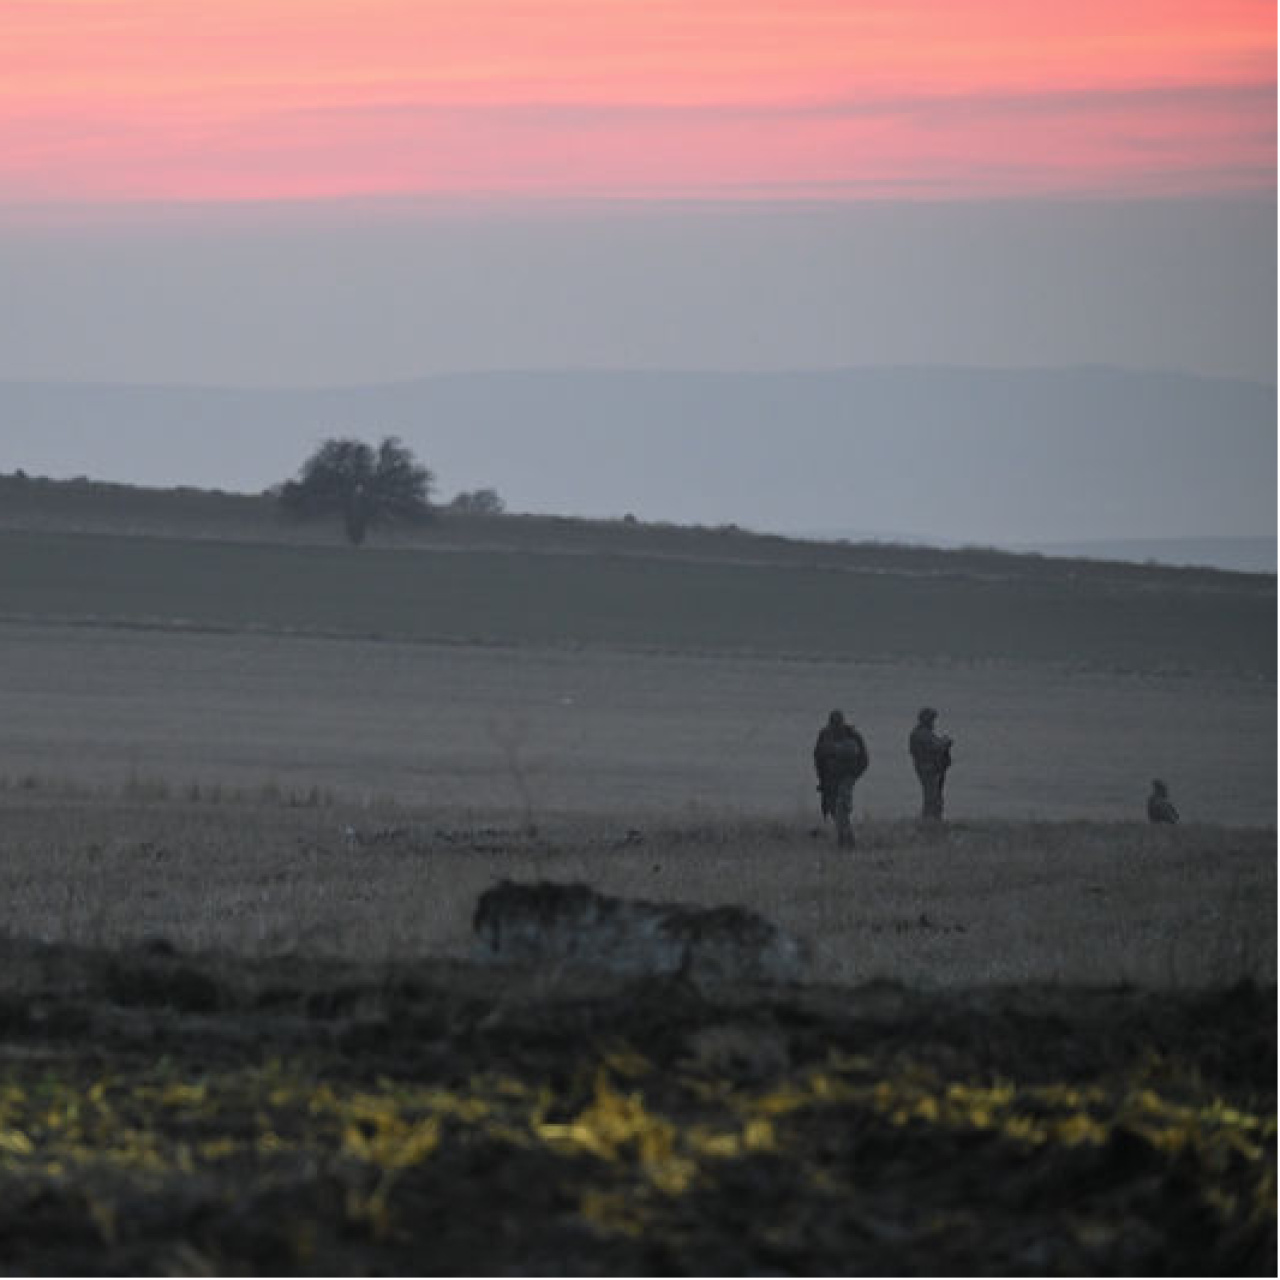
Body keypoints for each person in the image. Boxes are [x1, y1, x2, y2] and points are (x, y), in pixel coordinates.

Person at [813, 709, 870, 848]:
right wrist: (822, 779)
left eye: (838, 723)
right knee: (833, 810)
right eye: (834, 723)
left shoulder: (853, 736)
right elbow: (818, 758)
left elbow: (864, 760)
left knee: (842, 809)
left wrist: (853, 776)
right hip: (830, 778)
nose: (836, 726)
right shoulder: (825, 735)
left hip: (846, 777)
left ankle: (848, 842)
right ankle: (843, 840)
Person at [909, 707, 952, 821]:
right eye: (932, 719)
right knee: (932, 797)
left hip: (930, 768)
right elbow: (935, 746)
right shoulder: (921, 733)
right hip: (927, 768)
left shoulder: (923, 733)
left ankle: (932, 819)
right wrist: (945, 742)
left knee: (934, 796)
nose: (933, 722)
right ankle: (930, 820)